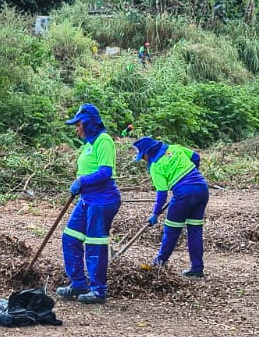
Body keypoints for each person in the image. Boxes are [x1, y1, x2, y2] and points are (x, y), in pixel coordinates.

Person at [57, 103, 121, 305]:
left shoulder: (104, 141)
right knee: (70, 237)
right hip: (86, 199)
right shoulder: (88, 145)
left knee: (95, 244)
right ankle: (78, 283)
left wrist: (81, 181)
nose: (77, 129)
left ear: (88, 123)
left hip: (102, 200)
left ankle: (98, 290)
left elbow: (105, 172)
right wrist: (80, 183)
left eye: (78, 125)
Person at [133, 135, 209, 278]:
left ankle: (159, 263)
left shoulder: (156, 166)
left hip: (183, 194)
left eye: (143, 156)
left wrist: (155, 214)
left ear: (148, 152)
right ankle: (197, 268)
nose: (143, 160)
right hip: (202, 189)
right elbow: (196, 157)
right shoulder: (175, 148)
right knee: (195, 229)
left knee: (171, 229)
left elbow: (162, 194)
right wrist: (192, 176)